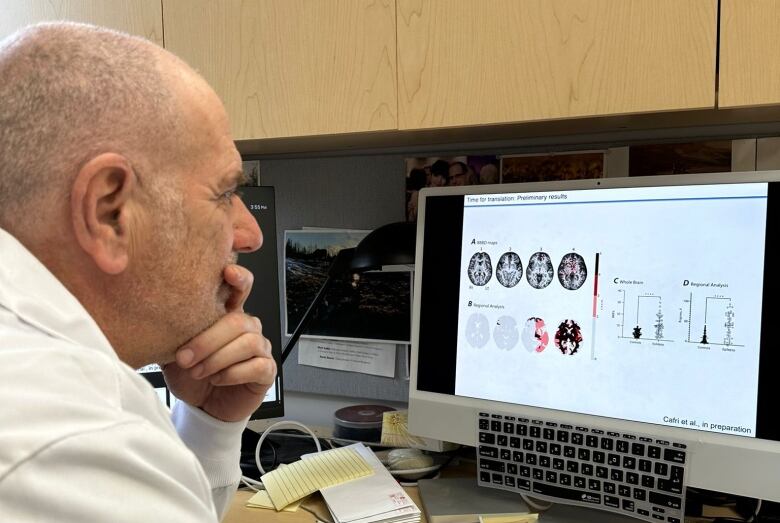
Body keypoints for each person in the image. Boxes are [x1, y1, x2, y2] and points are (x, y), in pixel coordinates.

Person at [0, 22, 277, 521]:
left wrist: (208, 426)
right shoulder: (72, 443)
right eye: (223, 194)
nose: (250, 234)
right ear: (109, 212)